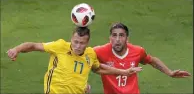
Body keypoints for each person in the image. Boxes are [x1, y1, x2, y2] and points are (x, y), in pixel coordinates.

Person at [7, 27, 142, 94]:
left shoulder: (90, 54)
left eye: (81, 43)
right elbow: (34, 46)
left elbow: (98, 68)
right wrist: (16, 49)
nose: (77, 46)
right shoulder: (60, 46)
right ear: (71, 39)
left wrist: (123, 72)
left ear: (87, 42)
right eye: (75, 42)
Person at [93, 23, 191, 94]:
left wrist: (169, 72)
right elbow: (83, 58)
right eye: (114, 35)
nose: (117, 39)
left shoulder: (138, 51)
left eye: (121, 35)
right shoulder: (100, 51)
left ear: (127, 39)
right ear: (110, 38)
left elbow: (152, 60)